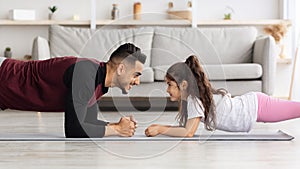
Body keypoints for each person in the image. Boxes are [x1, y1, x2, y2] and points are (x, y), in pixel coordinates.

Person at [0, 43, 147, 138]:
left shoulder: (99, 83)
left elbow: (87, 122)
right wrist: (117, 130)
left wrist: (116, 125)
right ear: (121, 68)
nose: (138, 81)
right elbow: (74, 130)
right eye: (136, 75)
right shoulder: (85, 74)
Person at [145, 55, 300, 137]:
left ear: (183, 84)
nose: (167, 90)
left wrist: (160, 129)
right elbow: (187, 129)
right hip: (254, 106)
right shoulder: (192, 99)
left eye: (170, 85)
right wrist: (161, 127)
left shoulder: (194, 100)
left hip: (256, 107)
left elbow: (188, 133)